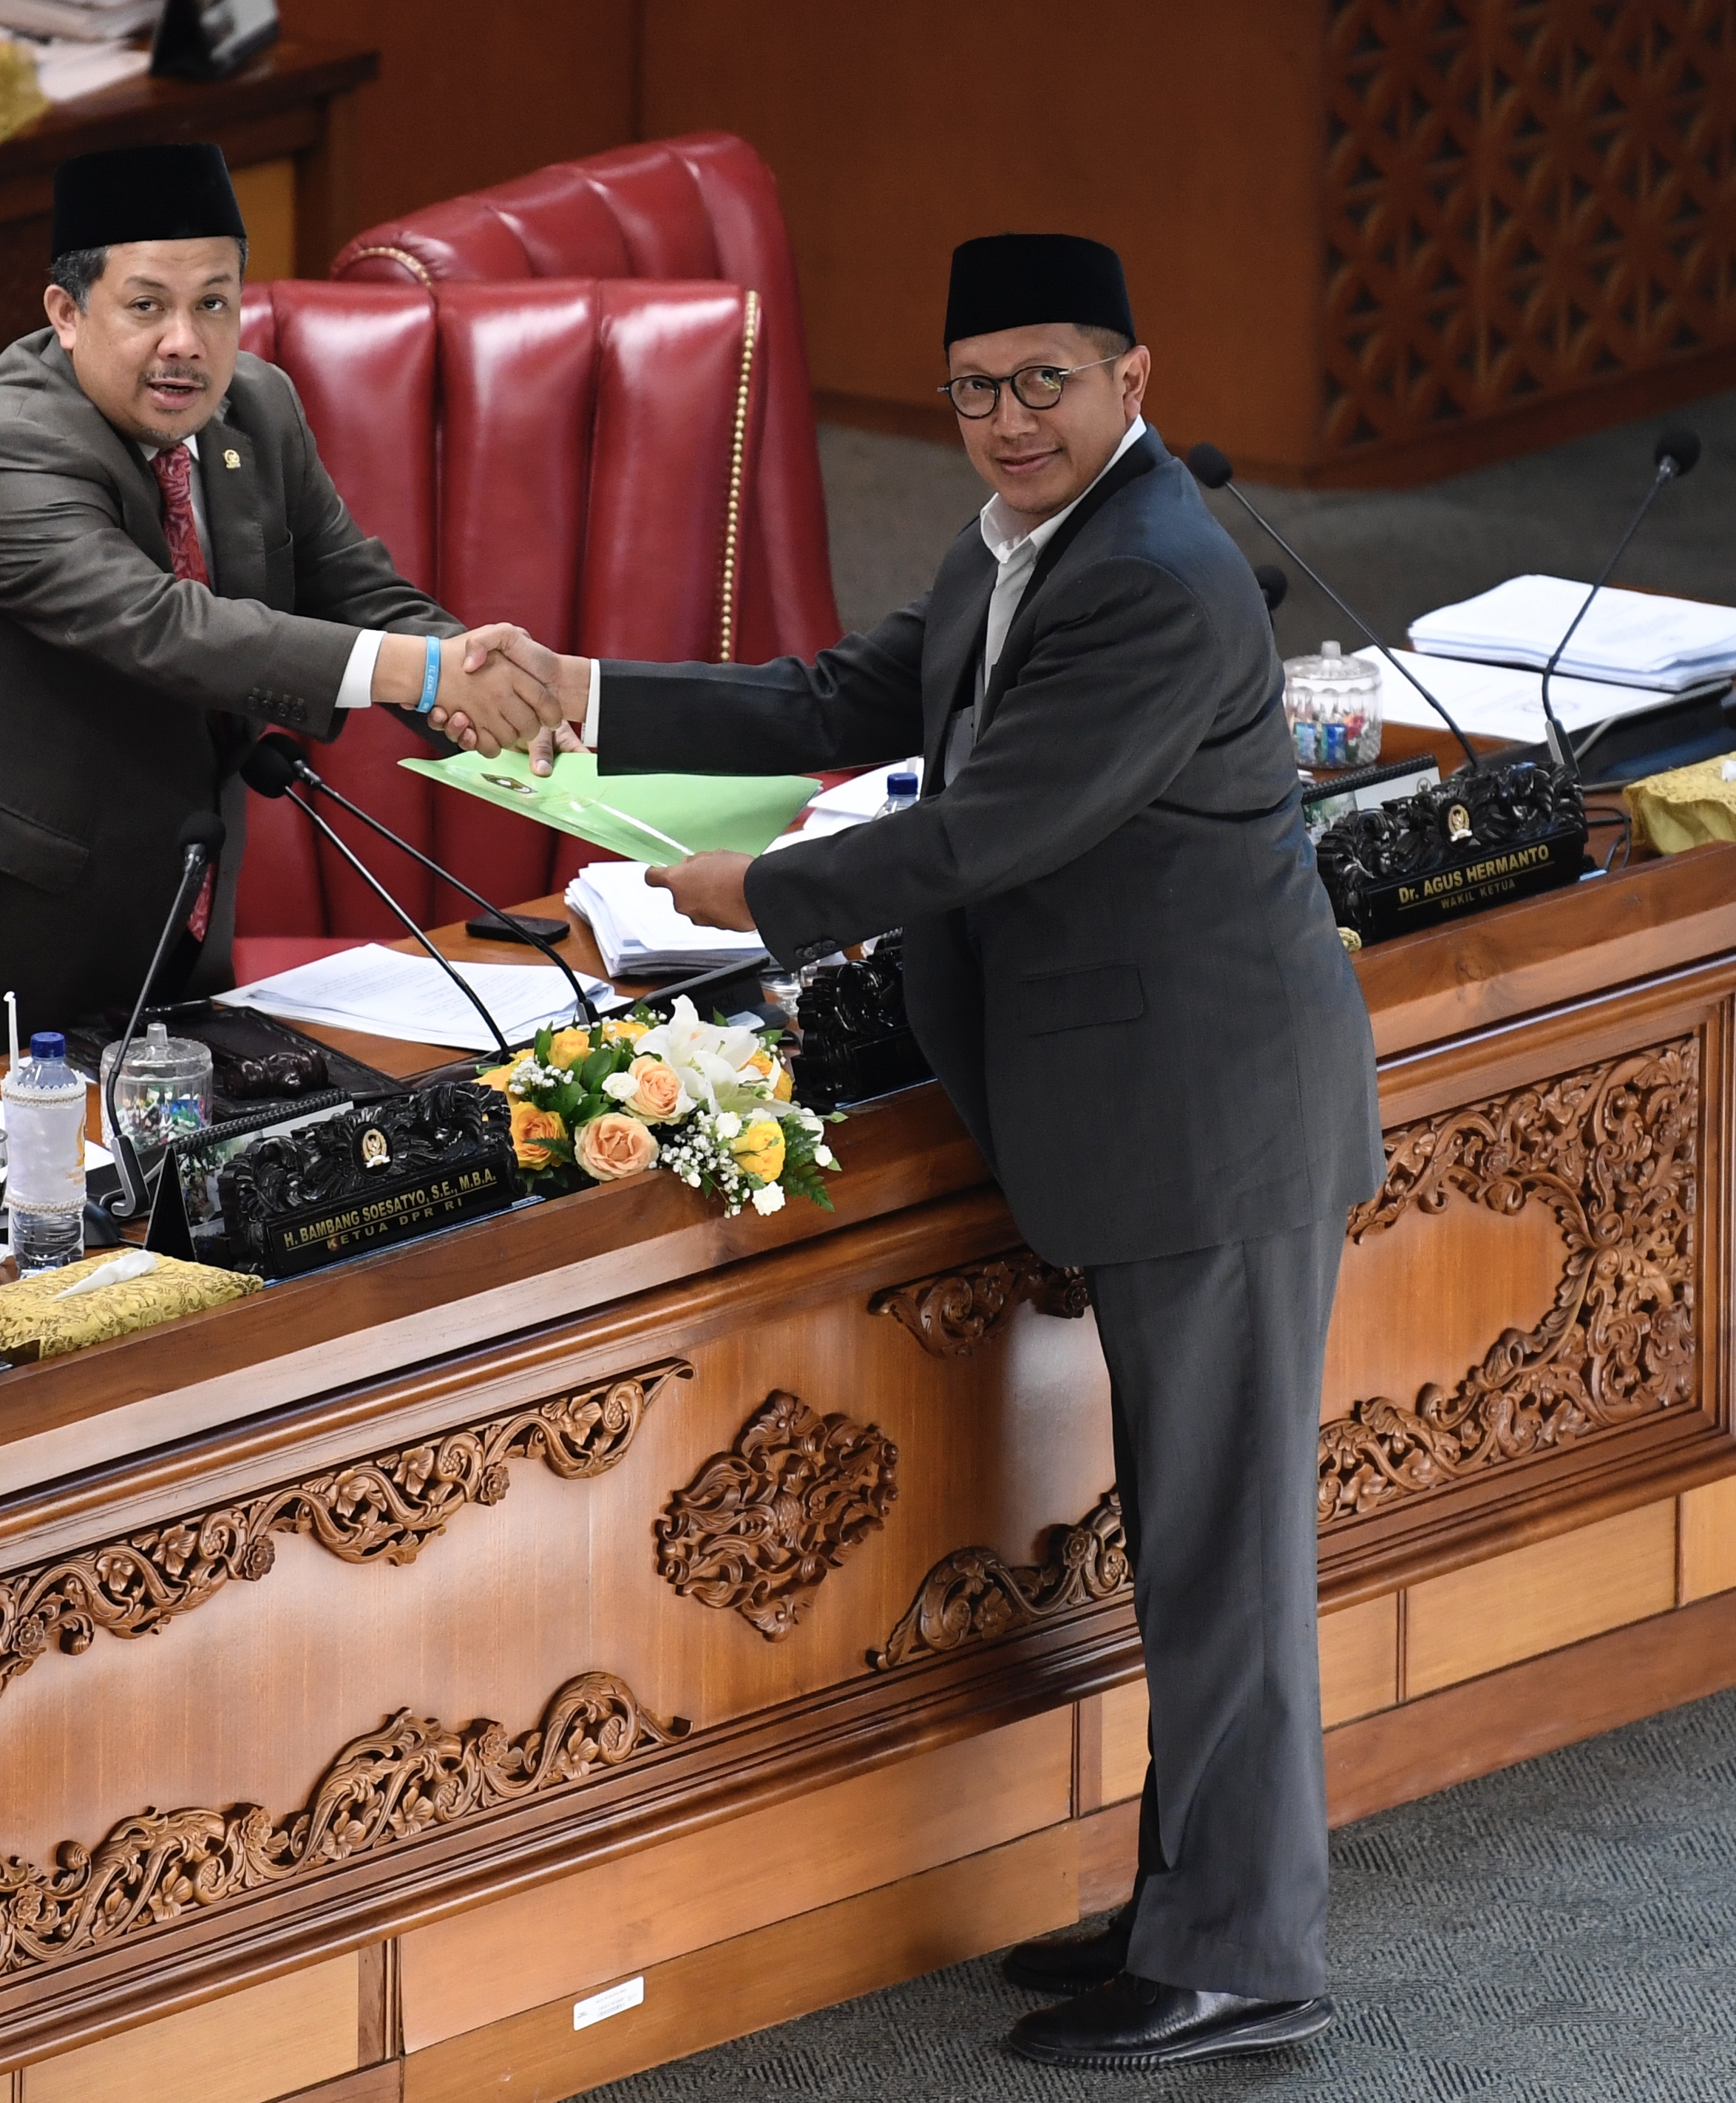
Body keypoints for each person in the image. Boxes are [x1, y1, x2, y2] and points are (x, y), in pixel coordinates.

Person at [448, 234, 1384, 2071]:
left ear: (1133, 375)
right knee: (1195, 1544)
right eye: (972, 388)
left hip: (1212, 1124)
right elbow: (828, 702)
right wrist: (581, 687)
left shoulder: (1159, 578)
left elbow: (991, 828)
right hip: (1140, 1111)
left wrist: (745, 894)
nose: (1005, 420)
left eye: (1044, 380)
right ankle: (1197, 1905)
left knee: (1224, 1557)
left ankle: (1247, 1960)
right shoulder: (1016, 542)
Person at [0, 141, 549, 1078]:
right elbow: (165, 628)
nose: (185, 343)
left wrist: (477, 673)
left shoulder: (257, 409)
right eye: (147, 305)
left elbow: (352, 584)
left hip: (168, 938)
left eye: (213, 303)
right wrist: (424, 674)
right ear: (66, 314)